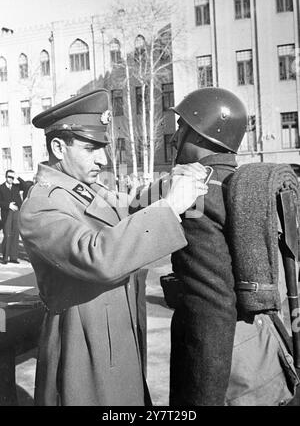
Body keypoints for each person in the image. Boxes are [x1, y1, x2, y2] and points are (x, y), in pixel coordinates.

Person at [19, 88, 209, 406]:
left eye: (103, 147)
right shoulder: (41, 204)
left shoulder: (86, 188)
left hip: (114, 331)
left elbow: (132, 205)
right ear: (58, 147)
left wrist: (176, 181)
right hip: (82, 341)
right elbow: (98, 256)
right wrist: (171, 205)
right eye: (91, 148)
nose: (103, 159)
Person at [168, 87, 248, 406]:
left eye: (182, 128)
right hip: (250, 349)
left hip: (207, 361)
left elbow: (208, 304)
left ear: (202, 135)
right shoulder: (236, 182)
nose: (174, 139)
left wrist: (202, 394)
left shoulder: (195, 191)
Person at [0, 170, 25, 264]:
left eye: (12, 177)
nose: (11, 179)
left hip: (16, 213)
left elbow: (25, 186)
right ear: (6, 177)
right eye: (9, 177)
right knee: (7, 234)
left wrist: (18, 177)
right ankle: (5, 257)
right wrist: (8, 205)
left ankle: (13, 257)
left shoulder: (16, 186)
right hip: (7, 213)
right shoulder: (1, 188)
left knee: (15, 234)